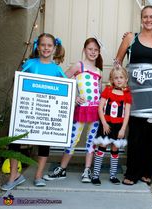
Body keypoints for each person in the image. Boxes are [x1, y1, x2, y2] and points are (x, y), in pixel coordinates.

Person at [1, 33, 66, 190]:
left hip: (45, 115)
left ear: (54, 48)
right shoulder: (29, 64)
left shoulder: (57, 70)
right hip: (26, 112)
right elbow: (19, 83)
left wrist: (75, 99)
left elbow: (66, 90)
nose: (46, 48)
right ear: (38, 46)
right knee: (15, 141)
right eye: (43, 45)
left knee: (44, 143)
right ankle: (14, 176)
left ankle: (38, 175)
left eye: (49, 45)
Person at [115, 5, 152, 185]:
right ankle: (131, 173)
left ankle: (146, 172)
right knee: (136, 134)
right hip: (134, 95)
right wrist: (119, 82)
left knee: (151, 135)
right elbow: (118, 61)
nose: (149, 20)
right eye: (145, 17)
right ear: (141, 18)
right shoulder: (131, 38)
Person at [43, 37, 103, 183]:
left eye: (96, 50)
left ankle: (87, 171)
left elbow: (99, 92)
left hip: (95, 111)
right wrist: (74, 97)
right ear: (84, 50)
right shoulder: (79, 66)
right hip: (81, 110)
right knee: (72, 140)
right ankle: (62, 169)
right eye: (90, 49)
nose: (93, 52)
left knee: (91, 141)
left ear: (99, 52)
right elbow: (63, 82)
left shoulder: (99, 70)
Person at [91, 66, 132, 185]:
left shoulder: (126, 94)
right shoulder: (108, 90)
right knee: (102, 147)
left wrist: (123, 129)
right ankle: (95, 175)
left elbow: (127, 113)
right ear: (112, 79)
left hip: (119, 126)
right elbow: (100, 108)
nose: (119, 80)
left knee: (115, 149)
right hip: (106, 125)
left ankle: (113, 175)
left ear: (125, 79)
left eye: (121, 77)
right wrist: (103, 123)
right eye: (116, 78)